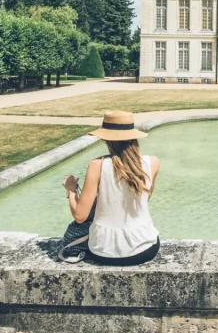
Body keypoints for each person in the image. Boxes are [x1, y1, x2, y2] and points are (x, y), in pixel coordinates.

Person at [61, 110, 161, 266]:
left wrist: (71, 190)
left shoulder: (97, 166)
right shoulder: (153, 162)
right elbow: (143, 199)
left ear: (105, 138)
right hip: (145, 248)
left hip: (103, 251)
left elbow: (80, 216)